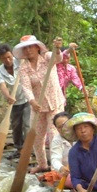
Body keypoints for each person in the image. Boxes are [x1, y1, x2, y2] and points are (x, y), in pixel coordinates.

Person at [14, 35, 65, 173]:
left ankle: (57, 166)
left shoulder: (47, 57)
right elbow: (26, 87)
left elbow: (58, 59)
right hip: (37, 106)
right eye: (26, 48)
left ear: (37, 47)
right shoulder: (24, 67)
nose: (28, 50)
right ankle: (42, 164)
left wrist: (58, 49)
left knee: (54, 134)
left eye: (31, 46)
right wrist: (32, 101)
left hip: (55, 103)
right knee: (36, 137)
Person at [63, 112, 97, 192]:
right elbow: (75, 177)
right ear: (75, 132)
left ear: (92, 128)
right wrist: (81, 190)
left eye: (86, 126)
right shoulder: (73, 152)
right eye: (79, 128)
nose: (83, 131)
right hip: (92, 189)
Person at [0, 43, 30, 156]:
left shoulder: (20, 61)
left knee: (27, 124)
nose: (8, 60)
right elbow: (2, 86)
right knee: (16, 126)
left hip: (28, 98)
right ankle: (19, 148)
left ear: (12, 54)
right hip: (14, 102)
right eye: (4, 58)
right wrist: (8, 96)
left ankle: (28, 149)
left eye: (9, 57)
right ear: (0, 59)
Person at [44, 111, 73, 188]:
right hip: (67, 172)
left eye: (65, 124)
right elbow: (55, 159)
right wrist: (61, 167)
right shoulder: (57, 140)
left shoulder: (80, 133)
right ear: (56, 128)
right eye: (59, 127)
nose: (63, 128)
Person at [55, 43, 85, 107]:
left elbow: (75, 78)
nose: (65, 60)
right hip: (52, 93)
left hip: (62, 94)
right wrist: (70, 49)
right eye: (63, 58)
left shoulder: (71, 68)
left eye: (67, 58)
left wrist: (82, 88)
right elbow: (63, 54)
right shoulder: (55, 65)